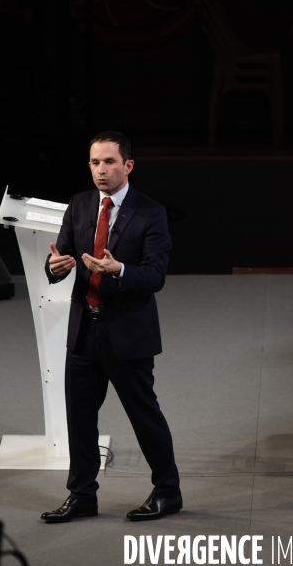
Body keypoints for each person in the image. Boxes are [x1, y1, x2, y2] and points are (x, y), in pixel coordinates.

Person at [40, 131, 181, 523]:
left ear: (128, 166)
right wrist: (54, 269)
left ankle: (168, 491)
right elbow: (60, 257)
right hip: (85, 329)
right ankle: (82, 495)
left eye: (109, 162)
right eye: (94, 163)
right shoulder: (80, 203)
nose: (101, 170)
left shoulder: (151, 212)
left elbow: (155, 275)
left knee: (143, 414)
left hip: (127, 333)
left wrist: (120, 269)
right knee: (80, 417)